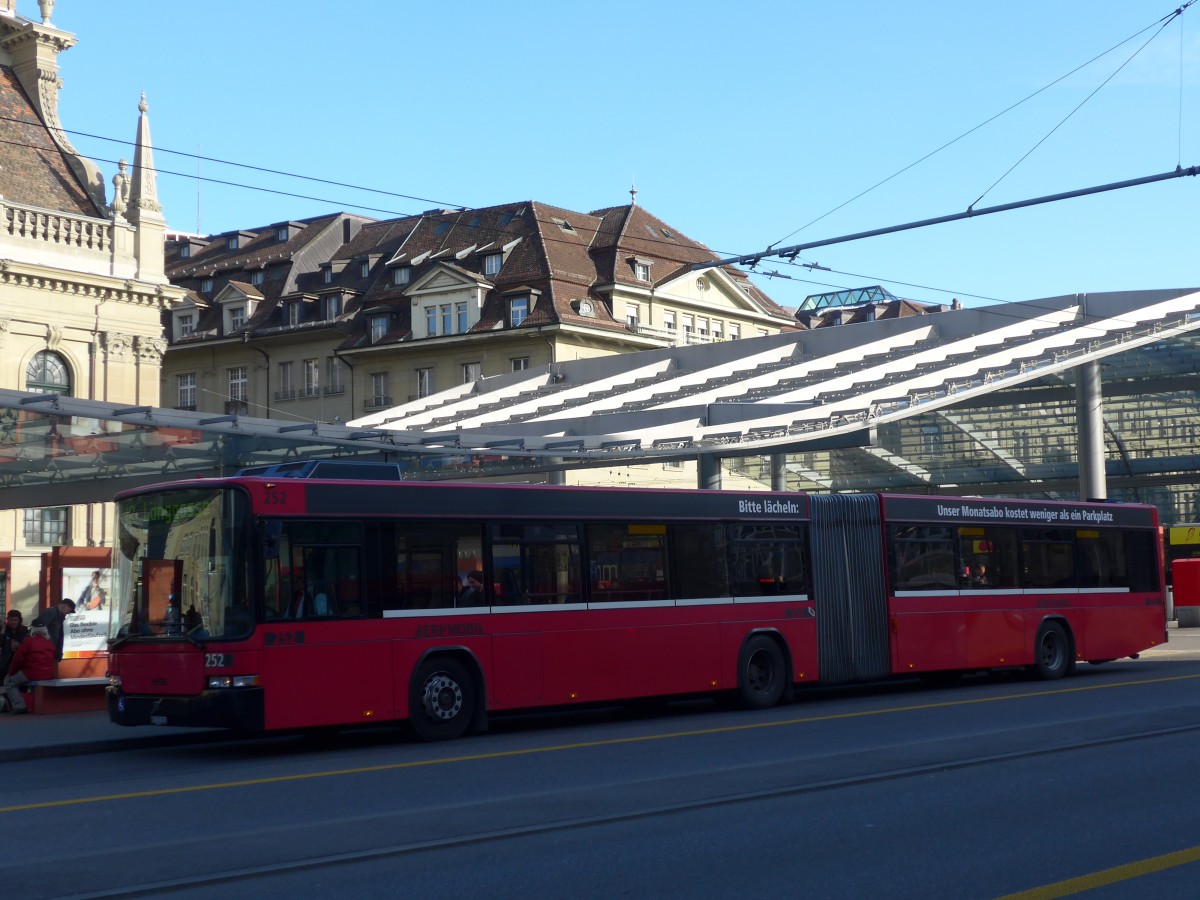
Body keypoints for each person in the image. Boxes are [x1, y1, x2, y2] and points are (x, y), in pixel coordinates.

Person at [0, 617, 56, 714]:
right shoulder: (49, 643)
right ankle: (37, 705)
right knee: (34, 685)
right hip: (47, 673)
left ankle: (19, 706)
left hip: (31, 673)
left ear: (32, 629)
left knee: (9, 683)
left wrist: (11, 673)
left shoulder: (28, 641)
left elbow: (17, 659)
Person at [0, 610, 28, 676]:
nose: (13, 622)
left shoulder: (24, 630)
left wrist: (19, 645)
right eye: (11, 620)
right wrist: (3, 630)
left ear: (19, 620)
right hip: (5, 663)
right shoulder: (4, 629)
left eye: (16, 620)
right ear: (8, 620)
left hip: (20, 663)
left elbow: (28, 645)